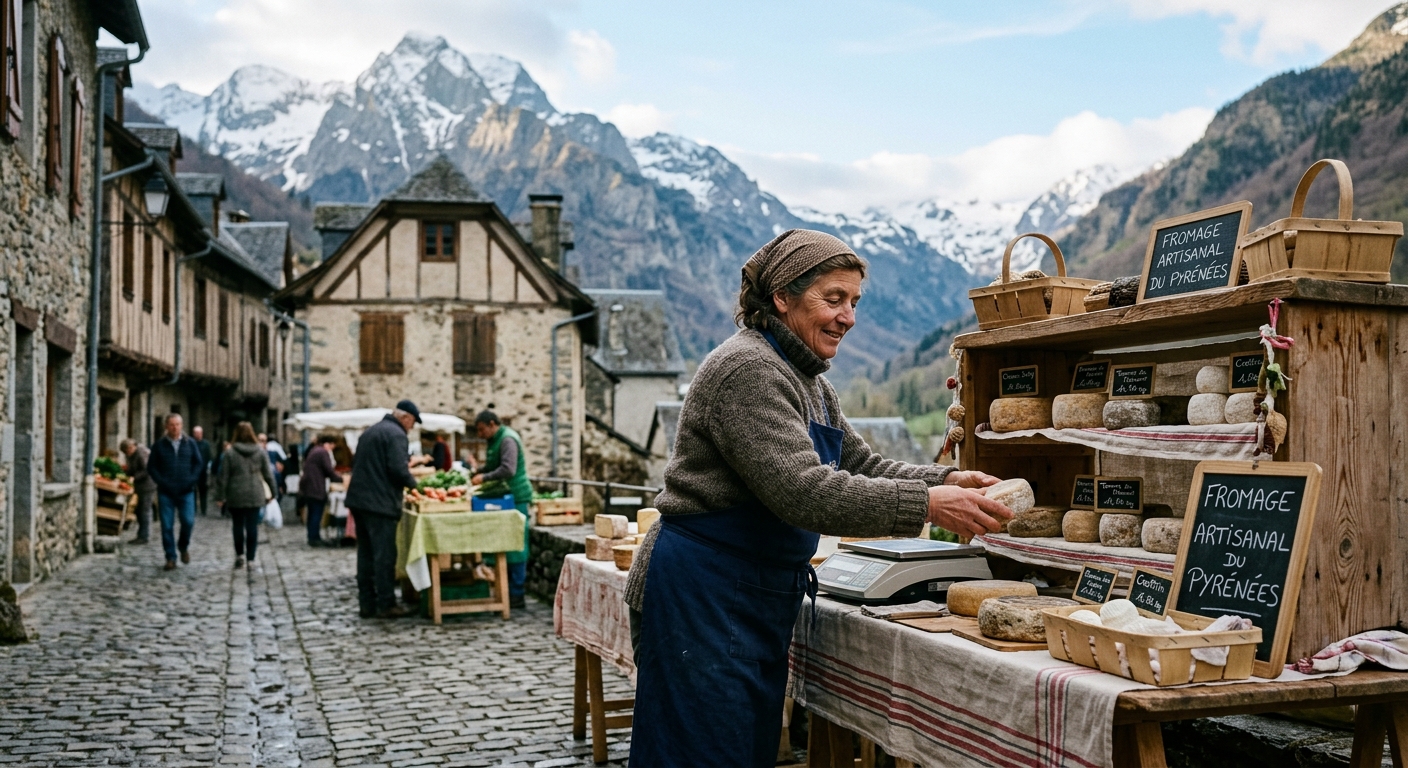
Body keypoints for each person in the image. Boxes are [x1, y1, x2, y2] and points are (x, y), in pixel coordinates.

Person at [624, 230, 1014, 767]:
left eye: (854, 302)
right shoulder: (748, 370)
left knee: (741, 750)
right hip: (704, 592)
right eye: (833, 299)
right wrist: (928, 506)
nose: (848, 317)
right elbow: (803, 490)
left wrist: (943, 481)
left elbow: (862, 465)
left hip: (749, 591)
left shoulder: (809, 380)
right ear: (782, 297)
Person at [344, 400, 423, 619]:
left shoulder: (371, 432)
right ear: (405, 417)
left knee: (366, 555)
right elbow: (398, 469)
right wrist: (416, 487)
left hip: (360, 501)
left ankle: (367, 603)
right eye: (412, 422)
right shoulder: (396, 435)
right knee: (384, 555)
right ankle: (386, 603)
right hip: (380, 504)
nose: (412, 427)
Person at [471, 411, 533, 609]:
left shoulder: (507, 439)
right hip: (504, 497)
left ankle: (517, 593)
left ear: (491, 424)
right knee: (506, 544)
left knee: (517, 546)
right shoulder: (495, 440)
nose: (480, 434)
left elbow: (508, 469)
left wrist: (483, 478)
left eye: (481, 429)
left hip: (516, 497)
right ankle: (506, 590)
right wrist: (477, 471)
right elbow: (492, 466)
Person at [212, 422, 277, 570]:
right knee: (252, 526)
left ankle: (240, 555)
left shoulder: (230, 453)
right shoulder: (260, 452)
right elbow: (268, 474)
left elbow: (223, 476)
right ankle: (251, 559)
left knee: (238, 526)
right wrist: (274, 492)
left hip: (236, 493)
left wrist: (220, 496)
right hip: (255, 492)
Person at [146, 413, 206, 571]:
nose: (175, 428)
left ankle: (183, 546)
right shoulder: (159, 445)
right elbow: (152, 467)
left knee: (188, 521)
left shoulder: (190, 443)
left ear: (182, 425)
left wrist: (191, 480)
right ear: (166, 426)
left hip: (186, 491)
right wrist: (161, 481)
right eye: (172, 425)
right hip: (166, 492)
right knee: (166, 526)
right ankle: (170, 557)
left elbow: (198, 464)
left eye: (177, 424)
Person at [300, 435, 339, 547]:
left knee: (312, 513)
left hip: (310, 487)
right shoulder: (322, 453)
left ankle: (312, 536)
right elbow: (329, 470)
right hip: (316, 488)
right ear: (328, 443)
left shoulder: (315, 450)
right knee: (316, 513)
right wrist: (341, 479)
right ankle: (314, 538)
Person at [120, 439, 156, 545]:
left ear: (132, 447)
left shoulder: (141, 453)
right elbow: (132, 468)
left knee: (144, 511)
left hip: (147, 485)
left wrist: (134, 477)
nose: (128, 453)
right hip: (140, 485)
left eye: (129, 450)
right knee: (139, 510)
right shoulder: (131, 455)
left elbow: (147, 469)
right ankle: (141, 534)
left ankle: (144, 536)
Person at [192, 426, 215, 516]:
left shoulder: (206, 444)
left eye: (199, 433)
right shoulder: (191, 443)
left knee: (203, 491)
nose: (197, 435)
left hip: (203, 472)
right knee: (193, 490)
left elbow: (209, 456)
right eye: (195, 433)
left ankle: (203, 509)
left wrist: (208, 468)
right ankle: (194, 509)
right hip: (193, 471)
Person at [259, 433, 288, 500]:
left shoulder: (272, 453)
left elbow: (277, 471)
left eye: (264, 441)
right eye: (259, 441)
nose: (261, 443)